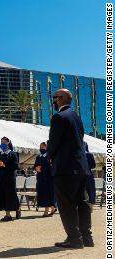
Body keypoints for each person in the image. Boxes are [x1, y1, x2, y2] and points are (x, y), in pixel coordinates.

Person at [47, 88, 92, 249]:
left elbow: (53, 142)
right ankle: (87, 237)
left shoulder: (58, 117)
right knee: (82, 202)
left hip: (65, 167)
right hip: (81, 167)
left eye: (54, 98)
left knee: (66, 205)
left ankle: (74, 238)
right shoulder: (76, 117)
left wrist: (49, 157)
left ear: (60, 99)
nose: (52, 101)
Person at [0, 136, 20, 221]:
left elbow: (15, 166)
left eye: (4, 143)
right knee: (3, 195)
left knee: (10, 195)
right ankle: (7, 214)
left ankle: (15, 210)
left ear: (8, 143)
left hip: (9, 178)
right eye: (1, 143)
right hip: (1, 178)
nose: (2, 144)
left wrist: (4, 165)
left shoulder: (13, 154)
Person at [34, 142, 56, 217]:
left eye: (43, 147)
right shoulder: (38, 157)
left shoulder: (50, 157)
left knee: (48, 194)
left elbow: (52, 167)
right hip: (40, 178)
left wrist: (42, 168)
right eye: (40, 147)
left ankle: (47, 210)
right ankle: (52, 209)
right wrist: (36, 168)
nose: (41, 148)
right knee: (43, 194)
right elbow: (35, 165)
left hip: (48, 178)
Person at [84, 142, 96, 211]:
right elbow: (93, 166)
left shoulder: (78, 154)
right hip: (89, 175)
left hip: (80, 175)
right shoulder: (90, 155)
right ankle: (91, 205)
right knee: (90, 190)